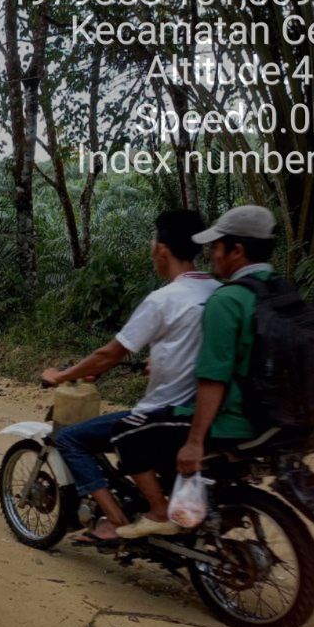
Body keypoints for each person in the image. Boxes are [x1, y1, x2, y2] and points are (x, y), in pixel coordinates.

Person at [42, 211, 218, 544]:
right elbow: (198, 346)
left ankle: (115, 521)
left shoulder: (164, 299)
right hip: (202, 411)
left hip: (163, 413)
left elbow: (110, 354)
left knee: (71, 440)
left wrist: (61, 375)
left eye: (153, 242)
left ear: (161, 249)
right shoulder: (216, 291)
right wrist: (161, 361)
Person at [111, 205, 278, 538]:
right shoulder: (278, 292)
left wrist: (195, 442)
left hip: (233, 418)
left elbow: (213, 375)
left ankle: (159, 513)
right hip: (271, 416)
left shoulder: (227, 300)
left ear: (237, 250)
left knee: (125, 434)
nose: (211, 255)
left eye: (216, 247)